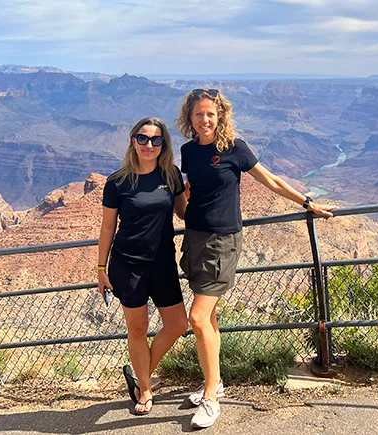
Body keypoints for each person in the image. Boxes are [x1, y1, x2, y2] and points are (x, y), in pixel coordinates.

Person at [177, 88, 335, 428]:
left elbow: (272, 181)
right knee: (211, 317)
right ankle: (215, 381)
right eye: (198, 115)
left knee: (197, 317)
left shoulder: (235, 148)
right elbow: (192, 190)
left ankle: (210, 397)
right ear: (189, 119)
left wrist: (307, 202)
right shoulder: (188, 151)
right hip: (195, 238)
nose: (204, 120)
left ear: (220, 116)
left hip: (223, 240)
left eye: (210, 114)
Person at [97, 117, 188, 415]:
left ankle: (140, 376)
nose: (149, 145)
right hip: (128, 266)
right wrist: (101, 268)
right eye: (143, 138)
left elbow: (183, 213)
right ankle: (145, 389)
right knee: (138, 329)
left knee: (177, 324)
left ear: (164, 144)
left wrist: (208, 189)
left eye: (156, 139)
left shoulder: (170, 174)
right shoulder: (117, 181)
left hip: (162, 263)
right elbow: (108, 227)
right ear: (133, 140)